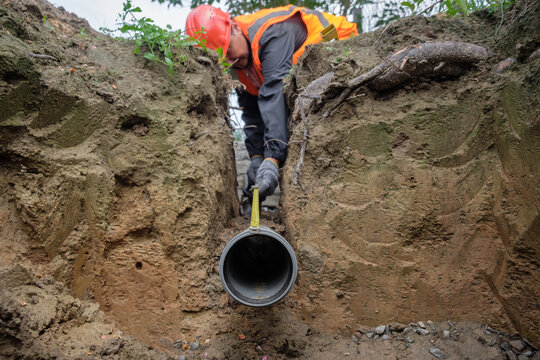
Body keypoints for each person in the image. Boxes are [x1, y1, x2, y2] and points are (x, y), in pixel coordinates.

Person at [186, 5, 358, 212]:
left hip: (338, 48)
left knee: (302, 132)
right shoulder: (240, 62)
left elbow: (274, 91)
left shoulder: (271, 33)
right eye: (225, 60)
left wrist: (272, 158)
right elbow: (251, 111)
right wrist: (257, 158)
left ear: (235, 27)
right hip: (297, 80)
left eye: (228, 51)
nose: (231, 62)